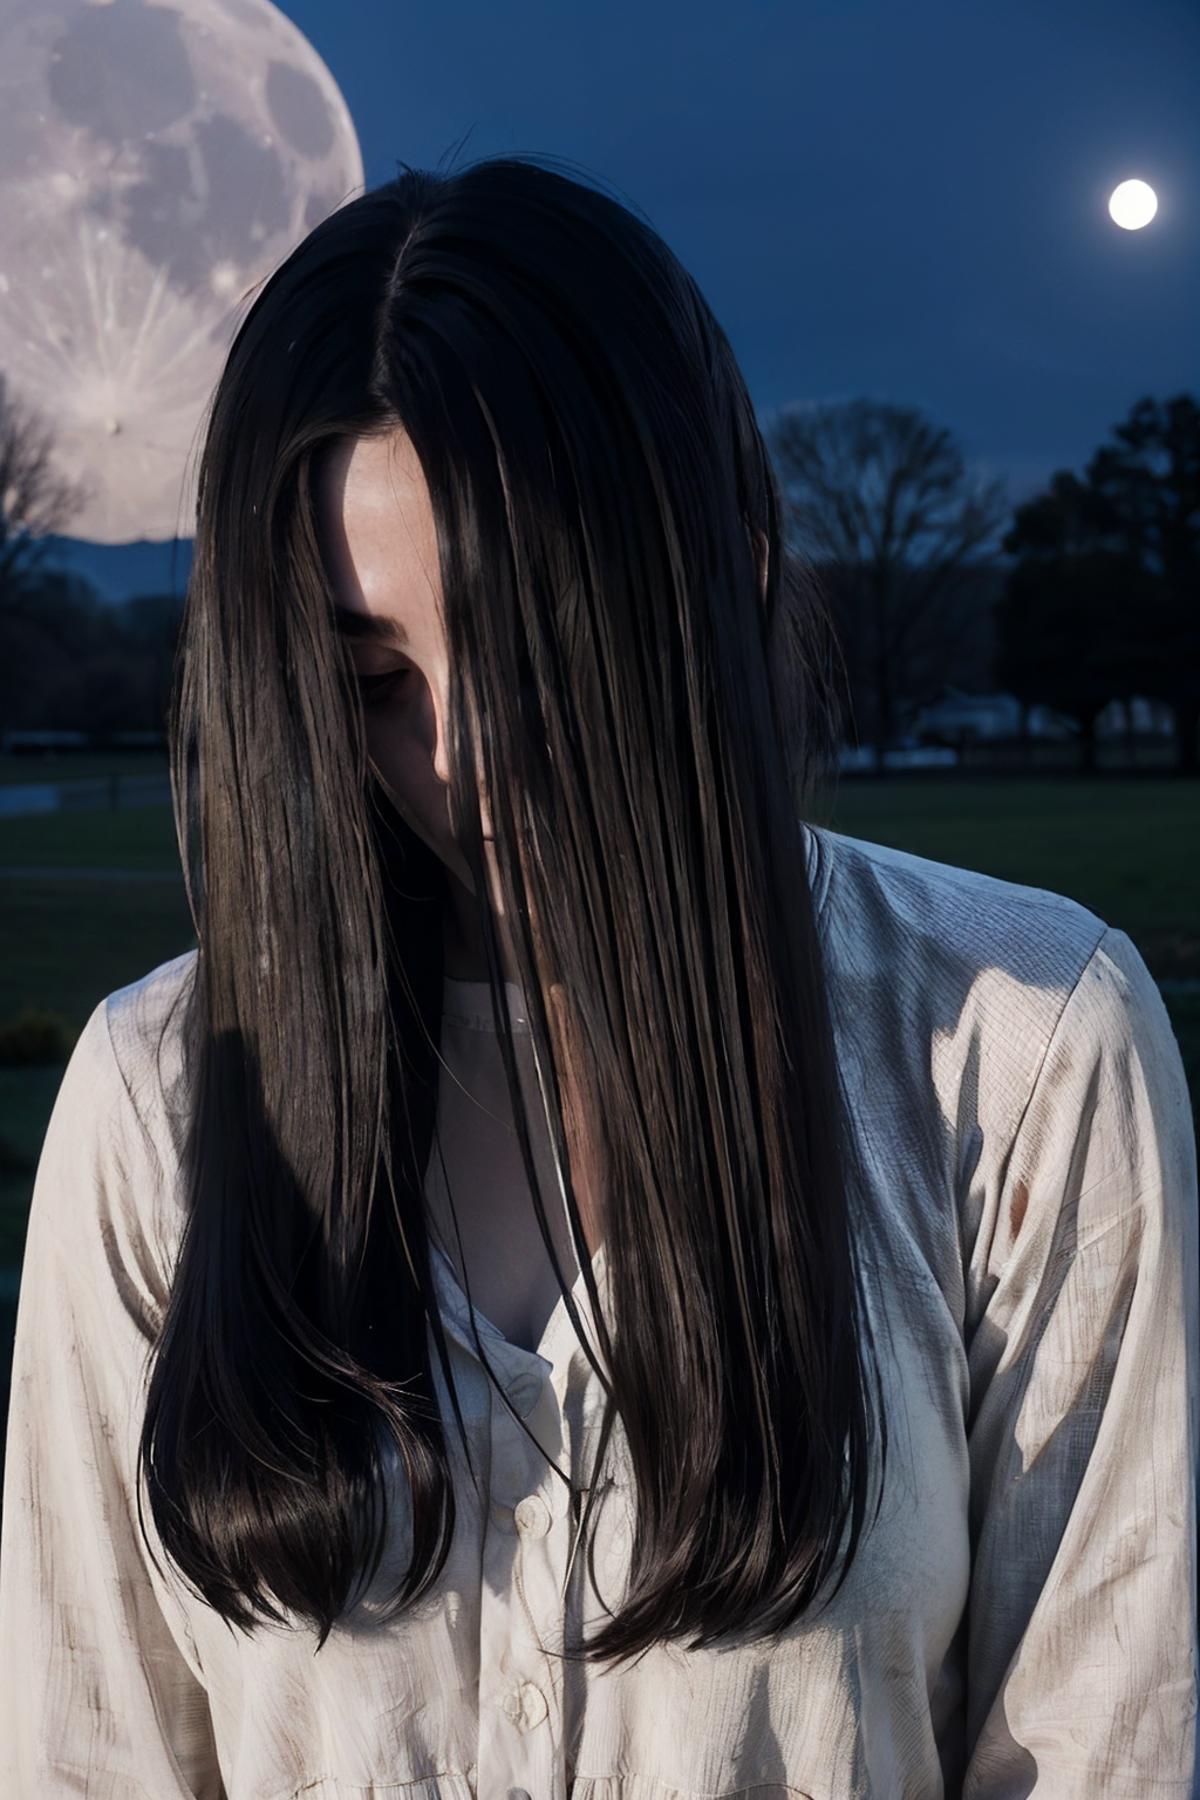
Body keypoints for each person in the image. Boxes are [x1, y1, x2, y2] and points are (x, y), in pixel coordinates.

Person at [0, 153, 1195, 1799]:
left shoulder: (1023, 1050)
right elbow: (87, 1755)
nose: (466, 754)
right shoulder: (160, 1101)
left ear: (737, 562)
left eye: (530, 637)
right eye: (367, 680)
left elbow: (1108, 1746)